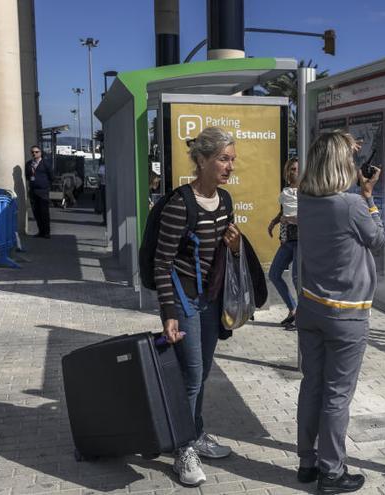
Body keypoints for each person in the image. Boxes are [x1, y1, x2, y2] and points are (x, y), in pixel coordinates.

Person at [296, 130, 384, 494]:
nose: (352, 164)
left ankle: (307, 462)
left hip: (311, 307)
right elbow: (377, 239)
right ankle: (332, 473)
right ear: (339, 164)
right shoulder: (350, 206)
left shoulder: (304, 199)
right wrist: (369, 197)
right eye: (348, 159)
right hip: (346, 314)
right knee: (337, 395)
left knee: (312, 386)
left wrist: (341, 143)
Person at [154, 127, 241, 488]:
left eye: (232, 159)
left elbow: (222, 255)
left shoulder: (224, 201)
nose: (229, 166)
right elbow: (162, 262)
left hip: (211, 299)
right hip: (185, 299)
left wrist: (234, 247)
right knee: (190, 375)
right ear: (202, 160)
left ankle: (196, 432)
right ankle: (183, 447)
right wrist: (169, 313)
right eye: (223, 158)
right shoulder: (180, 204)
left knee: (202, 372)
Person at [267, 157, 300, 330]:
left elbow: (308, 217)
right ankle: (293, 309)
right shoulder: (286, 190)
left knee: (297, 278)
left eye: (296, 169)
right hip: (287, 239)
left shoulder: (308, 191)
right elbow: (284, 212)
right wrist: (274, 222)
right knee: (274, 274)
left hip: (302, 239)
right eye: (291, 169)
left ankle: (302, 317)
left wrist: (289, 219)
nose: (294, 172)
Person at [25, 145, 54, 238]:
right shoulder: (29, 164)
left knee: (44, 212)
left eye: (36, 152)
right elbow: (27, 176)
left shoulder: (46, 163)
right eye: (32, 152)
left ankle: (46, 232)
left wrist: (46, 186)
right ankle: (40, 231)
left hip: (43, 191)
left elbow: (51, 177)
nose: (34, 153)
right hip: (33, 191)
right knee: (36, 212)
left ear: (40, 153)